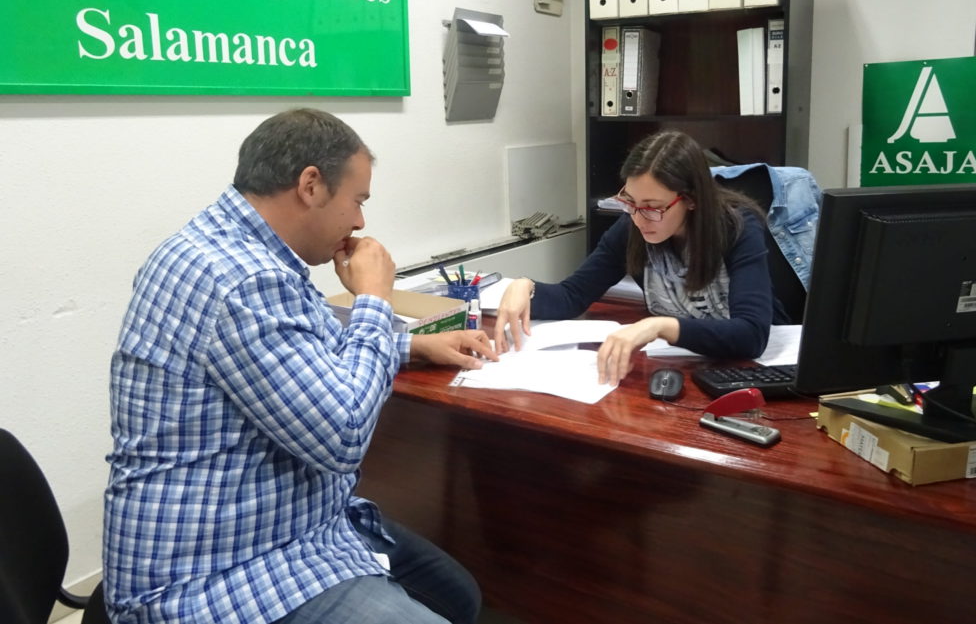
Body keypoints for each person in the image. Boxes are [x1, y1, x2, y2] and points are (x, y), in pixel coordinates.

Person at [103, 109, 494, 624]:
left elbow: (294, 358)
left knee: (457, 595)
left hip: (294, 524)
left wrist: (412, 348)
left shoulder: (229, 248)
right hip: (217, 572)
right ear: (310, 184)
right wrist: (374, 299)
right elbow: (343, 434)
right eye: (357, 201)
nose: (359, 222)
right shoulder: (241, 279)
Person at [493, 129, 777, 386]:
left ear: (691, 199)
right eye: (631, 202)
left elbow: (751, 335)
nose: (640, 219)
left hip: (747, 374)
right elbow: (572, 295)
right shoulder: (632, 227)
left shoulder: (738, 228)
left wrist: (659, 326)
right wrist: (525, 286)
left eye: (653, 207)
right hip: (679, 368)